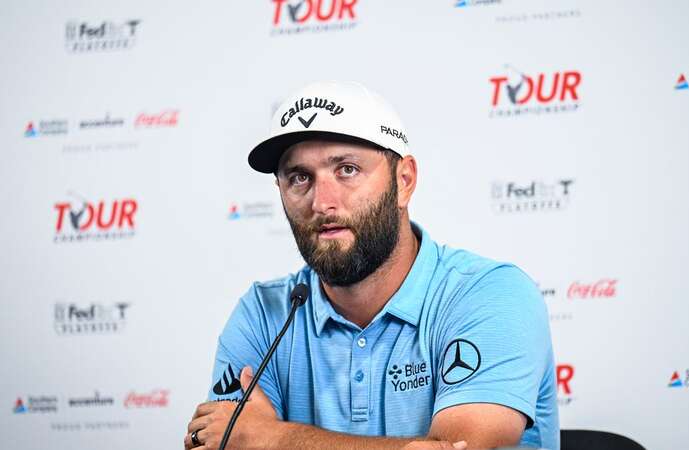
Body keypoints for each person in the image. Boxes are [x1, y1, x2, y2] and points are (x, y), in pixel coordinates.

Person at [185, 81, 559, 450]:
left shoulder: (489, 295)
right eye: (300, 178)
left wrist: (273, 439)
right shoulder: (264, 314)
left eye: (347, 169)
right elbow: (223, 442)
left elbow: (459, 448)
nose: (322, 202)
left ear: (404, 180)